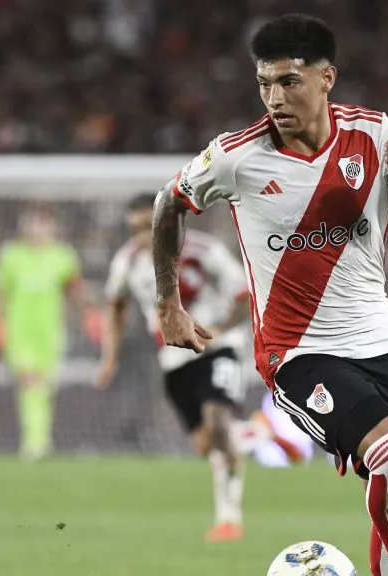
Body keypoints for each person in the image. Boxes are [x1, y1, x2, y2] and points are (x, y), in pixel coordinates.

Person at [148, 14, 388, 576]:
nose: (274, 96)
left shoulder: (375, 134)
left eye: (289, 81)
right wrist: (168, 302)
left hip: (384, 343)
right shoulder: (236, 156)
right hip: (298, 352)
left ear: (327, 78)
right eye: (264, 83)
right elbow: (166, 204)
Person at [96, 193, 304, 542]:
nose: (142, 237)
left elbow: (245, 294)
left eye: (148, 227)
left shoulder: (205, 251)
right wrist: (110, 358)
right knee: (207, 444)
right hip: (174, 358)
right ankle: (257, 431)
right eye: (134, 229)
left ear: (166, 223)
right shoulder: (127, 262)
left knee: (217, 425)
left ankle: (228, 519)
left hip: (218, 349)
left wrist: (221, 329)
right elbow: (116, 309)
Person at [0, 205, 102, 460]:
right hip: (19, 331)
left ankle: (40, 442)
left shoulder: (62, 256)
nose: (37, 230)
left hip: (50, 332)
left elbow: (75, 288)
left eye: (42, 224)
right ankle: (34, 443)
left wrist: (90, 314)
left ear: (52, 228)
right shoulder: (11, 255)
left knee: (44, 387)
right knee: (30, 382)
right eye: (32, 224)